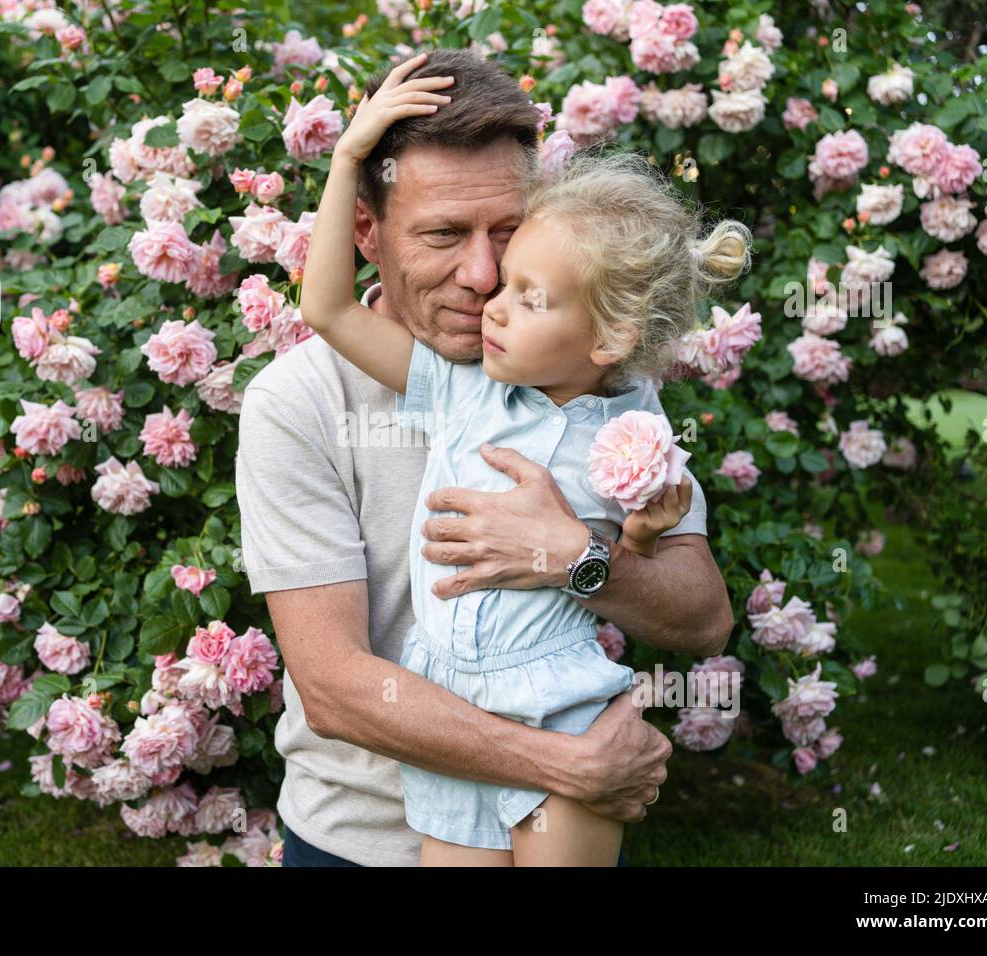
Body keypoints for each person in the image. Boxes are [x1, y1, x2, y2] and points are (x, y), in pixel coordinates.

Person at [235, 48, 734, 867]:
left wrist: (578, 558)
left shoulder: (591, 386)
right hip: (362, 837)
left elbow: (703, 616)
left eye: (506, 233)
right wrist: (567, 765)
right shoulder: (301, 403)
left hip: (549, 790)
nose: (481, 275)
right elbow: (331, 687)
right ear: (366, 231)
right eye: (442, 234)